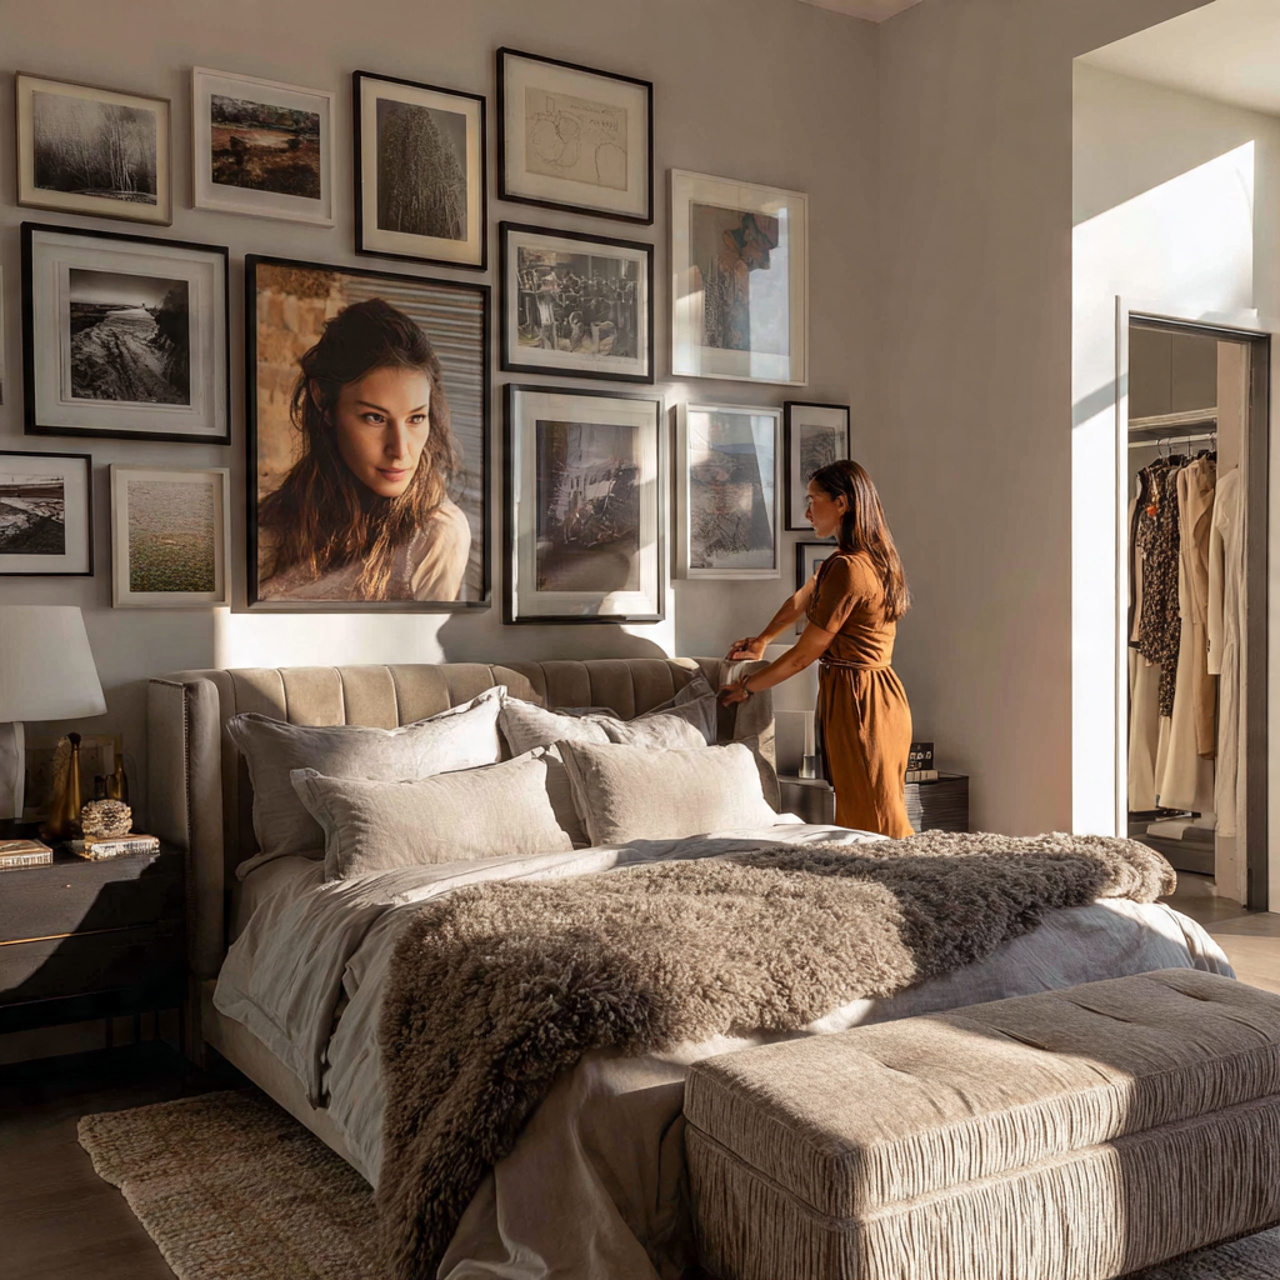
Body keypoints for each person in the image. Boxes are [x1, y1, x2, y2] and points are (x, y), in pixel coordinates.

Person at [719, 460, 914, 837]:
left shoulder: (849, 569)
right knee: (866, 814)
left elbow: (804, 655)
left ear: (841, 503)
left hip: (861, 700)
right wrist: (762, 640)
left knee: (875, 821)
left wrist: (747, 688)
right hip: (866, 694)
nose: (807, 512)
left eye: (813, 500)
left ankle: (909, 886)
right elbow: (802, 599)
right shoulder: (852, 562)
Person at [257, 297, 470, 602]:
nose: (400, 450)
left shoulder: (435, 535)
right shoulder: (274, 515)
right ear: (323, 402)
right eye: (375, 418)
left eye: (415, 418)